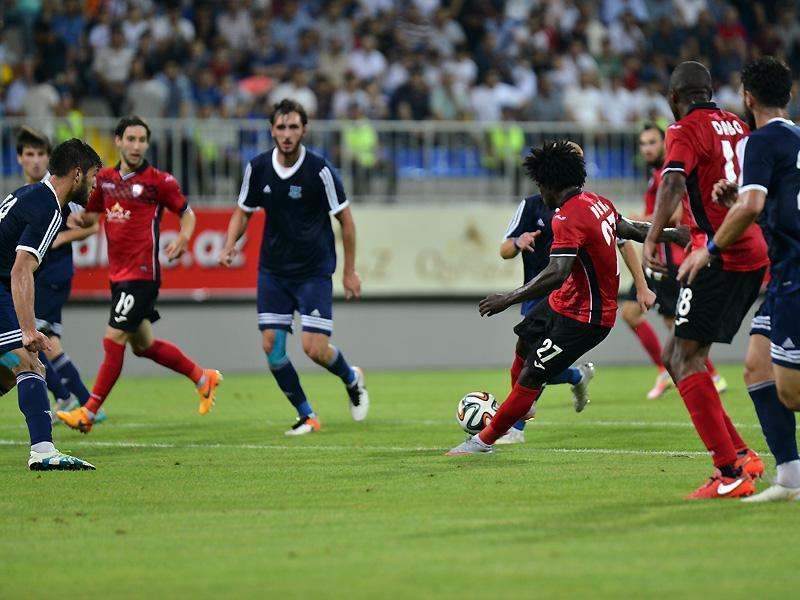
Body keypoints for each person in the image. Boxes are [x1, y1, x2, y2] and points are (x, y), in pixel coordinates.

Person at [447, 140, 690, 456]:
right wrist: (675, 235)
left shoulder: (567, 217)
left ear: (550, 184)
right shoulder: (597, 202)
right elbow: (632, 229)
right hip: (564, 302)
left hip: (587, 318)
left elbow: (557, 272)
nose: (540, 193)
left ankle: (482, 442)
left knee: (533, 374)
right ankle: (524, 405)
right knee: (524, 341)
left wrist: (507, 299)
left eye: (541, 186)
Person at [643, 61, 768, 499]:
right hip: (751, 250)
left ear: (673, 99)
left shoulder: (683, 128)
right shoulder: (738, 125)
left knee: (683, 359)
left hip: (718, 254)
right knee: (679, 355)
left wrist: (652, 237)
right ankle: (741, 455)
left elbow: (673, 182)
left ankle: (729, 472)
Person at [679, 57, 800, 502]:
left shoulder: (758, 140)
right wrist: (739, 199)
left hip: (794, 275)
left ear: (747, 97)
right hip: (783, 274)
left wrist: (708, 249)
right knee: (756, 368)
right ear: (788, 94)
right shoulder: (794, 138)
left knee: (792, 393)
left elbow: (752, 207)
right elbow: (774, 206)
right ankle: (790, 477)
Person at [56, 116, 222, 433]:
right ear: (118, 141)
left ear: (147, 143)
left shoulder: (159, 181)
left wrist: (184, 238)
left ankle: (88, 412)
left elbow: (187, 214)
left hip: (142, 274)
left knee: (113, 338)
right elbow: (92, 218)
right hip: (119, 276)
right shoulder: (105, 180)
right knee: (143, 345)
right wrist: (75, 225)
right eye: (130, 139)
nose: (136, 145)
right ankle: (203, 377)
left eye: (142, 140)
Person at [218, 99, 369, 436]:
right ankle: (307, 415)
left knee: (314, 349)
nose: (287, 134)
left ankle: (351, 378)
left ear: (304, 130)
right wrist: (229, 244)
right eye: (281, 127)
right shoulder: (258, 167)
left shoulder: (320, 170)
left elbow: (345, 221)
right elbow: (243, 211)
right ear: (272, 130)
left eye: (293, 127)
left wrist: (349, 271)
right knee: (272, 347)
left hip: (313, 271)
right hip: (273, 271)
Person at [0, 138, 100, 469]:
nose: (95, 185)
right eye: (93, 176)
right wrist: (28, 329)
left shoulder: (30, 194)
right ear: (77, 174)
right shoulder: (49, 208)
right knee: (30, 363)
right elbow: (21, 270)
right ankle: (44, 452)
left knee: (7, 373)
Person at [496, 148, 597, 445]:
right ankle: (576, 377)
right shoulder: (531, 206)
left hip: (571, 296)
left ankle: (516, 429)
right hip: (535, 294)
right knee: (534, 362)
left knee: (534, 364)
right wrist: (519, 241)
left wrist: (641, 286)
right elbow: (504, 250)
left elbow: (621, 240)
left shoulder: (587, 206)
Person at [622, 123, 726, 400]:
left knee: (675, 323)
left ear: (664, 144)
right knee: (632, 313)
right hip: (656, 257)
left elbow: (676, 213)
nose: (647, 149)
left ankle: (711, 375)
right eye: (643, 144)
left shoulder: (670, 173)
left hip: (670, 258)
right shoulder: (655, 175)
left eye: (652, 142)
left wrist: (636, 221)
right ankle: (665, 371)